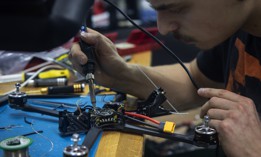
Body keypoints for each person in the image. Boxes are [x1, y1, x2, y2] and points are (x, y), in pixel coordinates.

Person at [69, 0, 261, 156]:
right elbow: (195, 83)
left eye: (176, 8)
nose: (162, 28)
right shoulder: (236, 23)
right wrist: (120, 74)